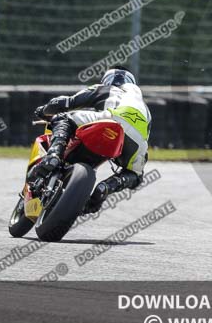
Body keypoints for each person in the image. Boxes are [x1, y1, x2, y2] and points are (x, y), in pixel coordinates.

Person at [28, 66, 152, 214]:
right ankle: (107, 187)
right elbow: (145, 136)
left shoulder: (107, 89)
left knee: (64, 118)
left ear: (108, 80)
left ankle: (54, 155)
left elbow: (67, 102)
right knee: (136, 175)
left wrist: (43, 111)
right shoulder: (145, 109)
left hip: (112, 118)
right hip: (138, 142)